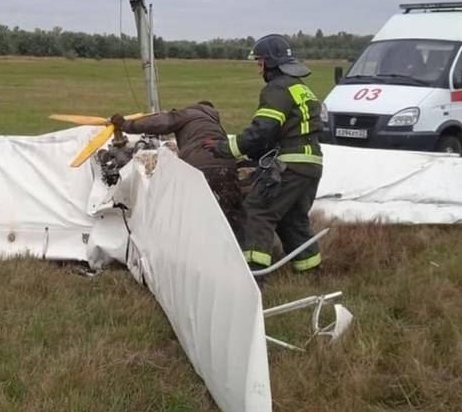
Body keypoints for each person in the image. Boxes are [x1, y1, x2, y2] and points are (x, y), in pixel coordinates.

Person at [206, 34, 323, 277]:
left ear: (271, 63)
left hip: (290, 166)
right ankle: (312, 275)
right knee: (293, 220)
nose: (259, 71)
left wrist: (223, 149)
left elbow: (262, 131)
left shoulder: (277, 89)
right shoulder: (301, 88)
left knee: (257, 211)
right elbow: (276, 134)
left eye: (259, 64)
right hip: (311, 165)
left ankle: (253, 277)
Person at [109, 101, 243, 236]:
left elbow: (161, 123)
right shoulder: (214, 124)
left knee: (194, 215)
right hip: (227, 166)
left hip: (199, 167)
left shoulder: (190, 113)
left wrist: (125, 124)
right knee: (230, 215)